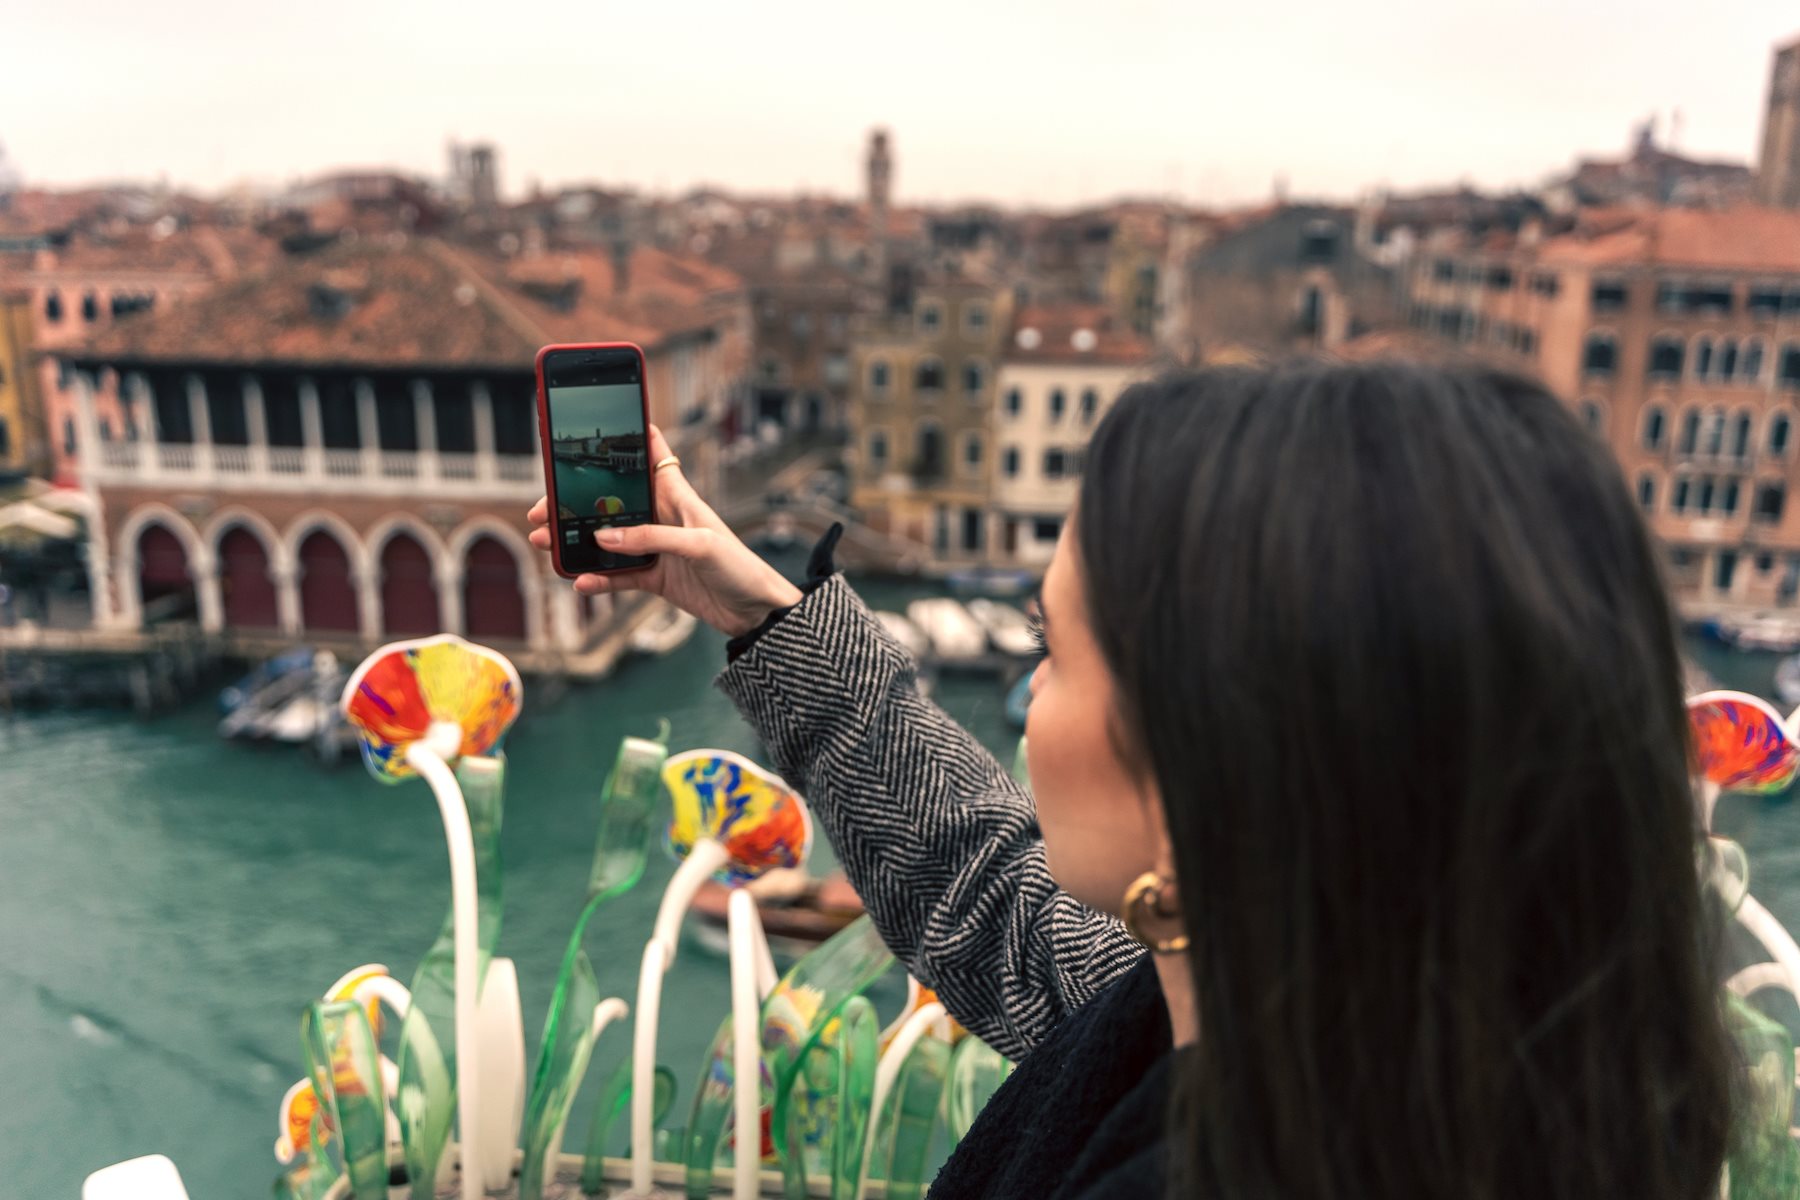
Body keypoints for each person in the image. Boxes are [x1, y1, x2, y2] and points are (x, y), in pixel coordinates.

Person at [527, 363, 1739, 1199]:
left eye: (1054, 652)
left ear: (1218, 755)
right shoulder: (1361, 1032)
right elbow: (992, 897)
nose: (1032, 700)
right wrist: (763, 614)